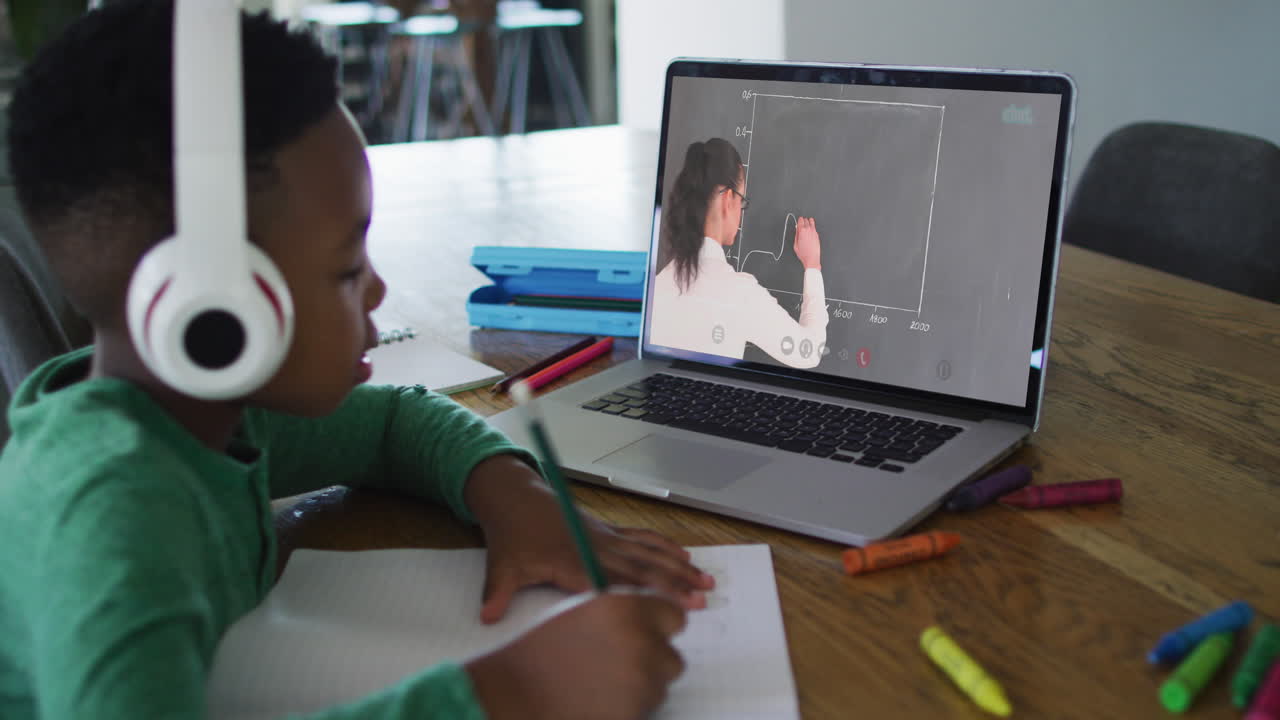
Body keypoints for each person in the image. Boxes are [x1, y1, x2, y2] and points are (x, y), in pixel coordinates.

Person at [0, 3, 712, 719]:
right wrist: (510, 693)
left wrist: (517, 501)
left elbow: (392, 422)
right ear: (215, 312)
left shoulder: (203, 418)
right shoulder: (113, 520)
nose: (376, 288)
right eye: (345, 269)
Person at [650, 138, 829, 369]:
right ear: (728, 199)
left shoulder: (659, 285)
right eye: (742, 201)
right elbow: (809, 352)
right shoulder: (739, 294)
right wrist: (812, 265)